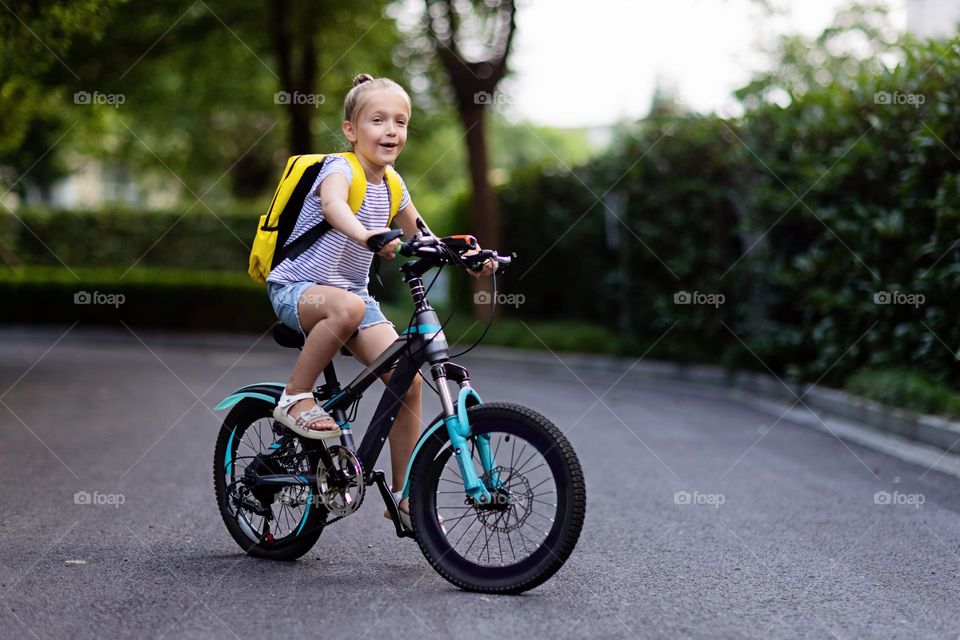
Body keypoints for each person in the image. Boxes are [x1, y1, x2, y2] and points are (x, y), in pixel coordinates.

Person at [265, 73, 496, 524]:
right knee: (347, 307)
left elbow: (423, 235)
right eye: (378, 120)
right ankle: (294, 398)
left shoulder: (393, 184)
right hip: (297, 289)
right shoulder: (339, 169)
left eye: (401, 122)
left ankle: (406, 497)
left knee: (406, 377)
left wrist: (469, 257)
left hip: (351, 297)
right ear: (351, 129)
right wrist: (367, 235)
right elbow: (334, 208)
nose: (391, 130)